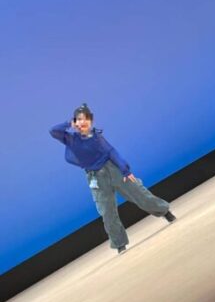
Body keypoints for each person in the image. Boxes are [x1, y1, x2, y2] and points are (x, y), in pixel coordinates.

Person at [50, 103, 176, 254]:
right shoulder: (71, 139)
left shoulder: (97, 136)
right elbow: (53, 131)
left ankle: (165, 212)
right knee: (107, 211)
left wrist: (125, 170)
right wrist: (69, 123)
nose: (83, 122)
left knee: (140, 195)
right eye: (79, 119)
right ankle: (119, 244)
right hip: (96, 178)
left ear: (91, 121)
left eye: (86, 119)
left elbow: (111, 152)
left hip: (114, 171)